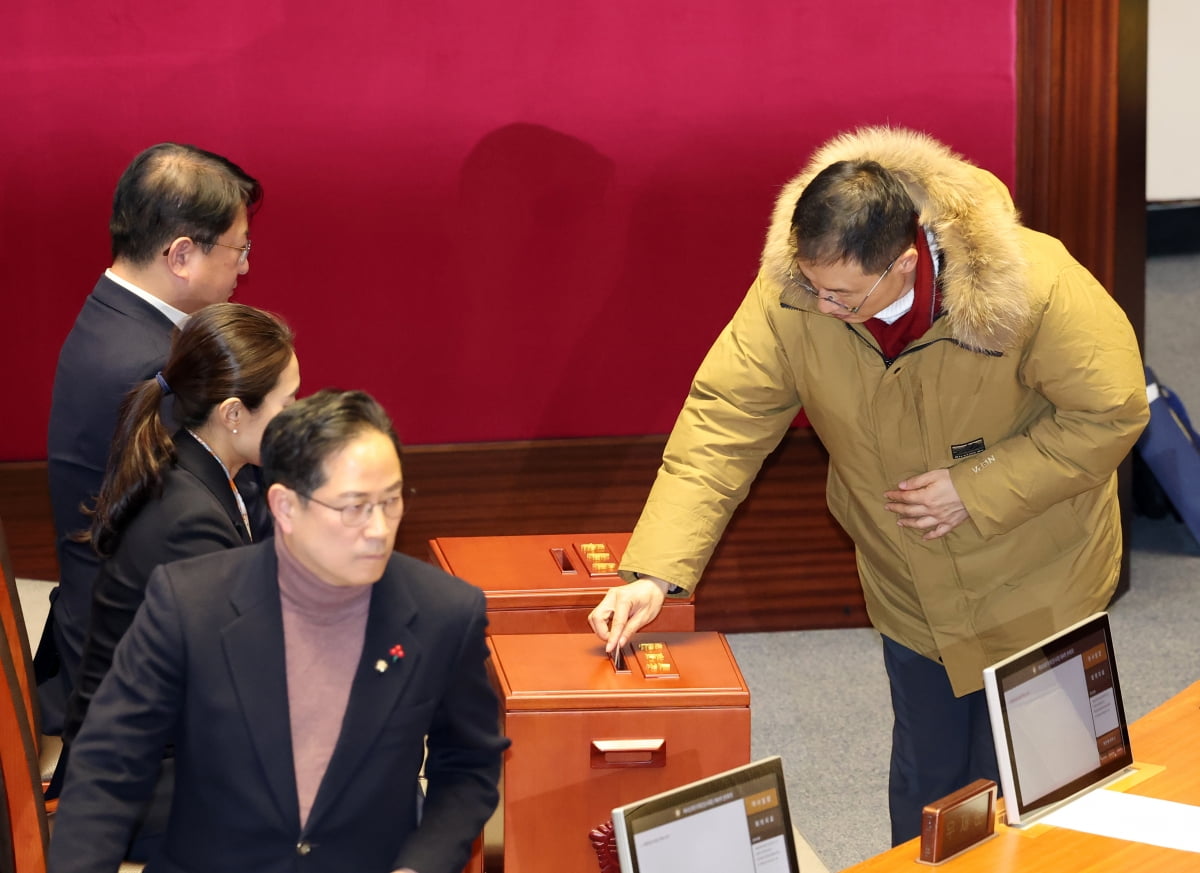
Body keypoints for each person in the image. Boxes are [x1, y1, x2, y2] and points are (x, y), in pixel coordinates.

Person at [588, 126, 1149, 845]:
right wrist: (656, 570)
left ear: (906, 263)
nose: (821, 307)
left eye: (842, 294)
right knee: (929, 792)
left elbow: (1113, 410)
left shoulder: (1037, 286)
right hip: (909, 586)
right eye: (813, 285)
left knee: (1040, 794)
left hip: (1040, 576)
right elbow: (723, 421)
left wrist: (975, 487)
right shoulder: (792, 292)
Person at [49, 389, 509, 873]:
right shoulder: (190, 603)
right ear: (286, 507)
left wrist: (420, 865)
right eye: (354, 507)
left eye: (390, 501)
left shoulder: (445, 613)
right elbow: (108, 767)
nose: (378, 529)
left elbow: (468, 766)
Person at [49, 303, 298, 858]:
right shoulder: (188, 519)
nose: (296, 414)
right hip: (140, 781)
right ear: (234, 413)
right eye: (288, 401)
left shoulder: (204, 469)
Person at [41, 142, 262, 733]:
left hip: (97, 614)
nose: (245, 266)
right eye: (240, 249)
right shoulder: (150, 369)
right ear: (182, 254)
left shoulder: (113, 316)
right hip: (131, 663)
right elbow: (204, 528)